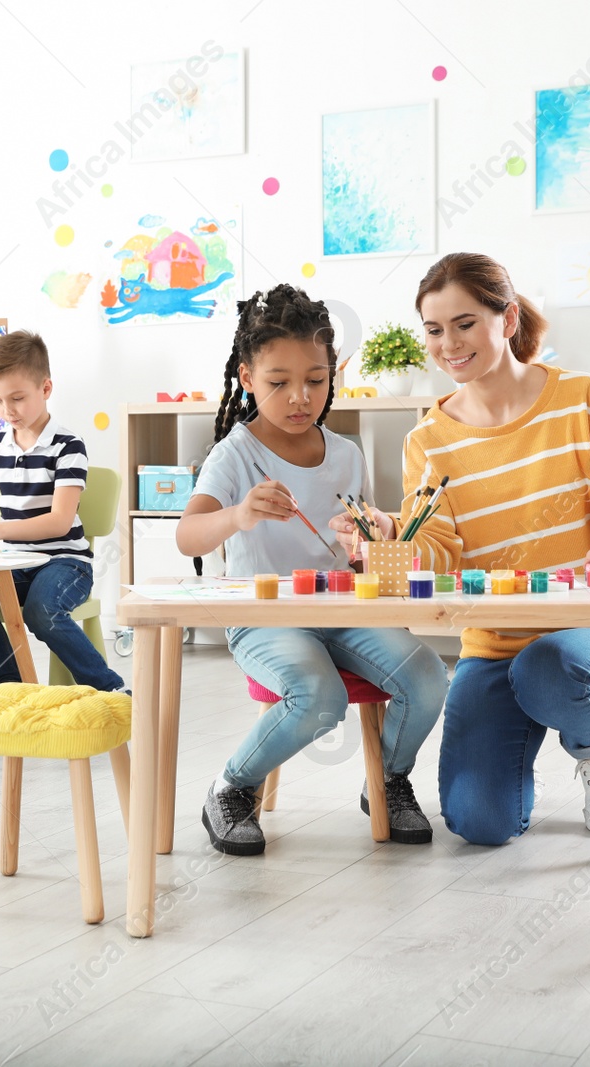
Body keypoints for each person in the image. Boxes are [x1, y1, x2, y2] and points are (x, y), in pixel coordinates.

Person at [333, 253, 590, 843]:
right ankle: (522, 740)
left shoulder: (585, 400)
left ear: (507, 320)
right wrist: (384, 542)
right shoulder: (428, 440)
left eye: (464, 324)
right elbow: (432, 558)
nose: (448, 344)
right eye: (434, 330)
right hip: (493, 645)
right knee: (478, 822)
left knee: (549, 670)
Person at [178, 283, 448, 856]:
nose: (300, 397)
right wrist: (239, 514)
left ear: (334, 376)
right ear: (248, 378)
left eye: (316, 380)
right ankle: (231, 787)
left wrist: (368, 536)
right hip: (265, 619)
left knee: (426, 676)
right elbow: (187, 536)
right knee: (318, 695)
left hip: (345, 610)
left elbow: (363, 551)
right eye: (278, 383)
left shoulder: (347, 454)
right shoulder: (236, 453)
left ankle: (389, 783)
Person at [0, 331, 123, 691]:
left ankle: (110, 689)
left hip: (65, 563)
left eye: (17, 398)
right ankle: (12, 687)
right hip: (14, 564)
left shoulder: (67, 446)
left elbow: (59, 521)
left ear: (46, 388)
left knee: (41, 609)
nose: (7, 411)